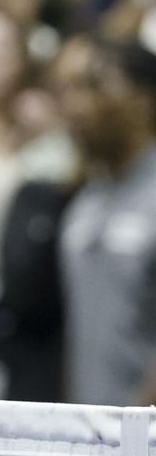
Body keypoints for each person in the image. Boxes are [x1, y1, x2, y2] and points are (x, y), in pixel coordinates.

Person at [58, 38, 156, 405]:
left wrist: (135, 431)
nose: (77, 106)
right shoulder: (83, 206)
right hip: (91, 433)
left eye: (96, 87)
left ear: (143, 101)